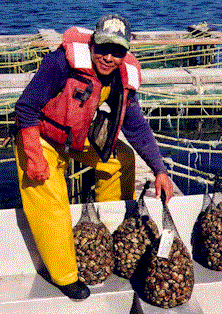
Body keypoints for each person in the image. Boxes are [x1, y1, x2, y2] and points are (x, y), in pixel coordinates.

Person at [15, 14, 173, 300]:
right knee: (51, 204)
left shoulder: (123, 78)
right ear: (92, 44)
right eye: (103, 48)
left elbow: (135, 125)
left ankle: (109, 235)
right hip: (41, 138)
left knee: (121, 160)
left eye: (117, 51)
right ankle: (64, 275)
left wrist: (160, 170)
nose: (109, 57)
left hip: (74, 139)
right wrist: (33, 154)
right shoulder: (60, 63)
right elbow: (25, 107)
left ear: (125, 53)